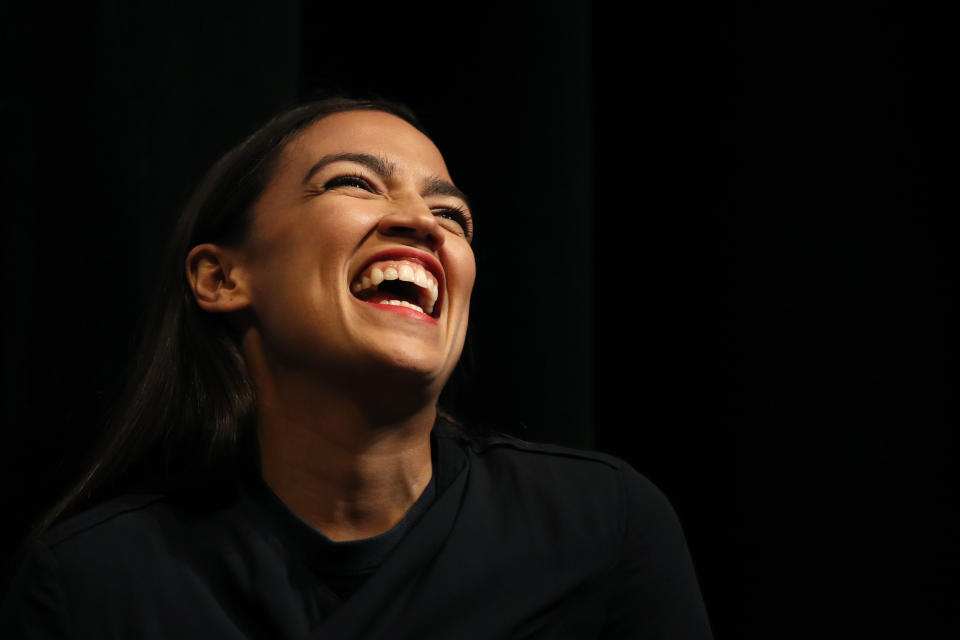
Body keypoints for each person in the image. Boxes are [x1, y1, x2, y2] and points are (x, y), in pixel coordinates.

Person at [0, 97, 713, 638]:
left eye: (452, 215)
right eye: (356, 184)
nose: (425, 224)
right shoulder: (95, 582)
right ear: (222, 278)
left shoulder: (602, 529)